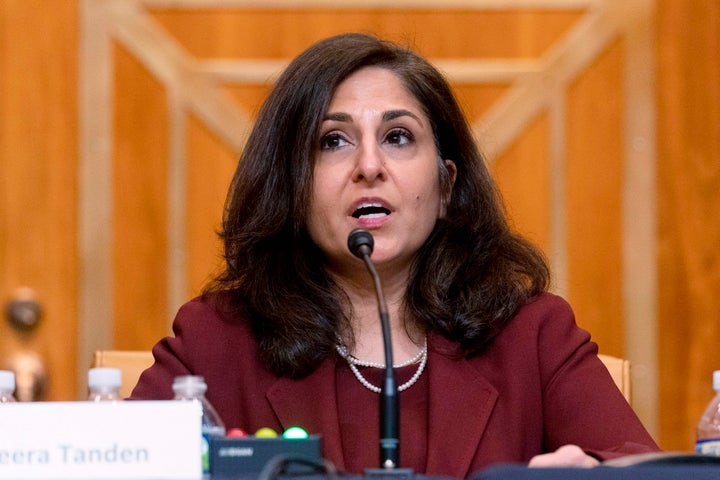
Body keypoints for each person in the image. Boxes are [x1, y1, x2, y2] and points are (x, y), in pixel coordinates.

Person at [130, 33, 659, 477]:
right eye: (333, 141)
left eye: (398, 136)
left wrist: (589, 466)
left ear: (447, 184)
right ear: (291, 187)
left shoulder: (531, 335)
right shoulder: (216, 341)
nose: (368, 165)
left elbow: (640, 464)